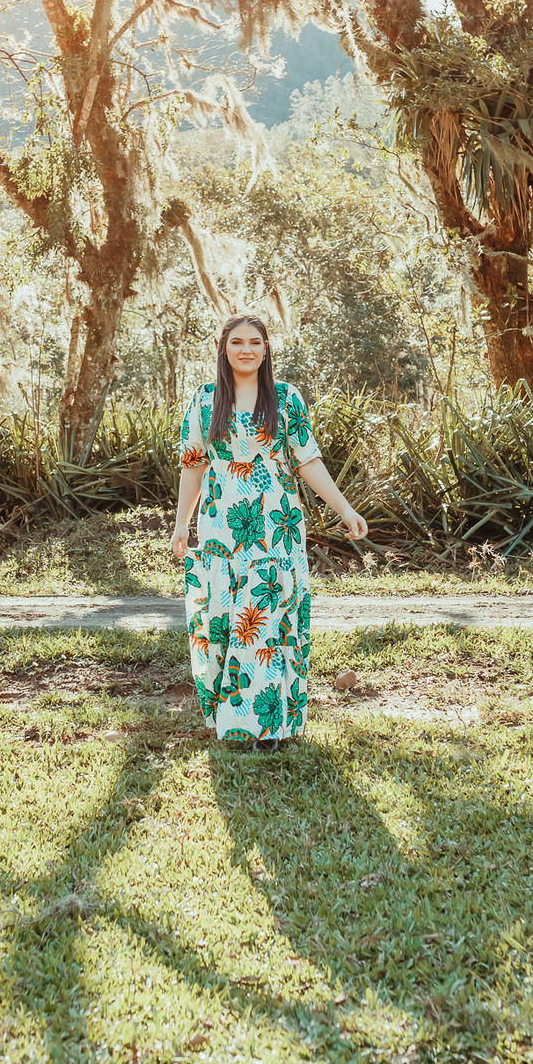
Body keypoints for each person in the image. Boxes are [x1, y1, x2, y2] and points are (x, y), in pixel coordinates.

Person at [171, 314, 368, 750]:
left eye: (255, 342)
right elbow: (193, 467)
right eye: (237, 342)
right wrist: (182, 524)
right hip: (222, 526)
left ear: (266, 349)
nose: (247, 349)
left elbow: (308, 461)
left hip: (276, 525)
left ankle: (270, 724)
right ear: (223, 348)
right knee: (228, 617)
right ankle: (234, 719)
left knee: (268, 618)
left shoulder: (285, 398)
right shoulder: (205, 401)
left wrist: (346, 509)